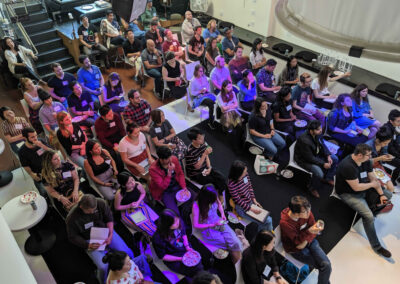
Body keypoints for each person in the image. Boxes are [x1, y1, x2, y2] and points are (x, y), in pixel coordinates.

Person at [335, 143, 393, 258]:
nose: (370, 157)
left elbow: (372, 177)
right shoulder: (348, 166)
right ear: (360, 155)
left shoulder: (365, 161)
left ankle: (373, 211)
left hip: (364, 186)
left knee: (388, 195)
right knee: (369, 216)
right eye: (368, 155)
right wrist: (372, 184)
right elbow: (356, 187)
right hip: (348, 193)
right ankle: (377, 246)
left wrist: (381, 194)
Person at [66, 194, 136, 283]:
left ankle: (132, 271)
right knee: (103, 267)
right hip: (89, 240)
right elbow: (72, 237)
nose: (92, 212)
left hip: (106, 231)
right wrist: (88, 245)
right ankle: (103, 281)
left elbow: (109, 219)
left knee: (127, 252)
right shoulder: (72, 218)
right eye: (89, 211)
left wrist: (110, 234)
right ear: (81, 207)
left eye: (94, 210)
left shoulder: (100, 203)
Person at [280, 196, 331, 284]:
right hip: (295, 249)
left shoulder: (307, 211)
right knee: (324, 267)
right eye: (305, 211)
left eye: (309, 208)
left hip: (309, 241)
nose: (309, 212)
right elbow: (297, 243)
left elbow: (314, 227)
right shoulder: (285, 223)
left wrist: (308, 237)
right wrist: (310, 231)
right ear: (296, 214)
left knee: (326, 266)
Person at [193, 184, 242, 262]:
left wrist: (222, 214)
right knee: (228, 243)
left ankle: (238, 261)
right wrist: (213, 224)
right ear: (206, 198)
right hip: (208, 228)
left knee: (235, 242)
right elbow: (195, 225)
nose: (215, 199)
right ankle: (236, 263)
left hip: (218, 221)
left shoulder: (213, 195)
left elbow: (219, 204)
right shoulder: (196, 206)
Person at [152, 209, 204, 277]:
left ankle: (201, 276)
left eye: (177, 220)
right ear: (167, 225)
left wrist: (187, 246)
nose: (177, 223)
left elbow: (184, 234)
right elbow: (163, 256)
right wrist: (181, 259)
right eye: (174, 223)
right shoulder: (158, 238)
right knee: (195, 269)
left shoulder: (178, 222)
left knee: (198, 262)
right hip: (174, 257)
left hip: (184, 247)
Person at [294, 120, 338, 198]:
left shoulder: (318, 134)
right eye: (318, 129)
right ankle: (312, 188)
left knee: (334, 158)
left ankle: (327, 178)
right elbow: (309, 158)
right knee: (319, 172)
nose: (321, 130)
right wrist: (323, 163)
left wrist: (328, 155)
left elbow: (323, 144)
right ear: (311, 131)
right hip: (304, 160)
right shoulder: (304, 140)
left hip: (315, 154)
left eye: (320, 128)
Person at [228, 160, 273, 231]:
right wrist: (251, 209)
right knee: (267, 221)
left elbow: (249, 187)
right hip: (242, 208)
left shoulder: (245, 175)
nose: (246, 173)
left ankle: (267, 236)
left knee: (267, 220)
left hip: (250, 203)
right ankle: (267, 237)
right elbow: (238, 201)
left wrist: (254, 200)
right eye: (244, 172)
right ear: (238, 173)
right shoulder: (232, 184)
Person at [149, 146, 193, 218]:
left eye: (170, 157)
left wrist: (184, 187)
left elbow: (180, 174)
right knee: (174, 215)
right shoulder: (153, 169)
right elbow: (163, 186)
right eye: (167, 159)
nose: (170, 160)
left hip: (177, 185)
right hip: (165, 192)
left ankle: (188, 216)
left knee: (196, 199)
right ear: (161, 159)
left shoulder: (174, 159)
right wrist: (169, 173)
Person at [185, 128, 228, 199]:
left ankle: (220, 193)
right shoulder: (190, 151)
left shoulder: (203, 143)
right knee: (214, 182)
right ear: (193, 140)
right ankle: (217, 196)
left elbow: (207, 157)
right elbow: (197, 167)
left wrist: (209, 168)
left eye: (202, 136)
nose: (203, 139)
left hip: (205, 168)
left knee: (222, 178)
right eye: (200, 138)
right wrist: (204, 154)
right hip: (196, 174)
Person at [115, 172, 157, 237]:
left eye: (132, 179)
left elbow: (143, 193)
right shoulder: (120, 194)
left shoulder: (138, 185)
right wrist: (129, 205)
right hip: (128, 209)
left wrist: (138, 202)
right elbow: (117, 207)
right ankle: (156, 235)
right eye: (129, 183)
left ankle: (156, 234)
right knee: (143, 224)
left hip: (139, 203)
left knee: (149, 221)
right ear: (123, 185)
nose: (133, 183)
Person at [41, 150, 81, 216]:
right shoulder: (45, 175)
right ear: (49, 162)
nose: (59, 160)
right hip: (61, 195)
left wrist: (75, 191)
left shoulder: (67, 165)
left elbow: (76, 179)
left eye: (58, 157)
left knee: (85, 206)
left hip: (74, 190)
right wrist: (60, 197)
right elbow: (51, 192)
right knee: (73, 214)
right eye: (55, 159)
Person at [18, 127, 52, 197]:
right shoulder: (22, 151)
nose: (36, 138)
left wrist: (42, 146)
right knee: (44, 193)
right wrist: (32, 174)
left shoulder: (41, 141)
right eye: (32, 137)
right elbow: (25, 166)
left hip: (50, 168)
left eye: (36, 135)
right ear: (25, 138)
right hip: (39, 173)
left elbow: (53, 152)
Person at [95, 105, 126, 172]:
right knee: (113, 154)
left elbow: (122, 129)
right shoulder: (98, 123)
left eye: (112, 113)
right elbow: (102, 139)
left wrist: (125, 139)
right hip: (107, 141)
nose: (112, 115)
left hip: (117, 136)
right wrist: (112, 146)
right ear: (103, 116)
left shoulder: (116, 116)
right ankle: (120, 170)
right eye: (109, 115)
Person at [217, 80, 244, 152]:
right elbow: (223, 110)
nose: (230, 88)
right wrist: (231, 105)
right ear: (223, 87)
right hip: (225, 114)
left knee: (240, 126)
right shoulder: (219, 96)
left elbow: (236, 105)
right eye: (228, 87)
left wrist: (228, 106)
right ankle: (235, 145)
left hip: (233, 112)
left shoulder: (233, 93)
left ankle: (238, 141)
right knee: (238, 126)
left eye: (231, 86)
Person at [365, 128, 395, 192]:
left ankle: (383, 199)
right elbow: (365, 162)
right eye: (385, 143)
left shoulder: (383, 144)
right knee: (384, 188)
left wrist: (387, 155)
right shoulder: (368, 146)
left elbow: (385, 152)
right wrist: (380, 158)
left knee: (391, 188)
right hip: (368, 168)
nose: (386, 145)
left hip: (378, 166)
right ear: (378, 140)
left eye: (388, 143)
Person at [38, 89, 67, 153]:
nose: (49, 101)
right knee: (61, 138)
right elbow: (46, 124)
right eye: (46, 100)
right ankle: (64, 152)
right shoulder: (42, 111)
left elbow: (67, 114)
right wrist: (52, 132)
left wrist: (58, 116)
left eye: (50, 98)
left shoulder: (58, 104)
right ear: (43, 101)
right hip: (55, 127)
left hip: (65, 122)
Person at [189, 64, 217, 129]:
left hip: (205, 94)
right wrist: (200, 92)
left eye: (202, 71)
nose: (202, 73)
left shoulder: (204, 77)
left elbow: (207, 85)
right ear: (196, 71)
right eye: (200, 71)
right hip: (198, 97)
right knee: (211, 103)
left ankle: (214, 117)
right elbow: (192, 93)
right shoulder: (193, 81)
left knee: (216, 99)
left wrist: (206, 90)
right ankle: (210, 121)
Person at [382, 109, 400, 185]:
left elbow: (394, 143)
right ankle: (392, 179)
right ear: (391, 121)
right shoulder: (387, 130)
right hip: (385, 154)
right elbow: (389, 148)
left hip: (391, 151)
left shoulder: (393, 128)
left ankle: (396, 178)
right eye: (398, 121)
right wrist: (398, 155)